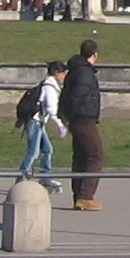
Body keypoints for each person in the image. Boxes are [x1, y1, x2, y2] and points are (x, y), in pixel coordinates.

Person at [63, 40, 105, 211]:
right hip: (83, 119)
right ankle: (85, 196)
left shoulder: (76, 70)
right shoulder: (85, 73)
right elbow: (77, 97)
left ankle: (79, 195)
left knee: (81, 157)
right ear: (94, 54)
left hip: (77, 119)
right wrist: (73, 116)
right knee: (96, 155)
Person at [17, 60, 69, 192]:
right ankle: (21, 178)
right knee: (33, 152)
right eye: (63, 73)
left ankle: (45, 177)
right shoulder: (49, 87)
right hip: (34, 122)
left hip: (39, 122)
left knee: (47, 149)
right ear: (56, 73)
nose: (64, 76)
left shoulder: (47, 84)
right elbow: (51, 110)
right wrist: (60, 126)